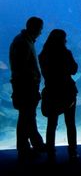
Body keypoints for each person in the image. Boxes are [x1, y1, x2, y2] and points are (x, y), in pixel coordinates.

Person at [9, 16, 47, 159]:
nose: (41, 32)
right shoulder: (22, 42)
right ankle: (26, 148)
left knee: (28, 116)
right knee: (26, 116)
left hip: (27, 86)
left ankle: (33, 145)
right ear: (34, 28)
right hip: (25, 87)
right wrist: (32, 82)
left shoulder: (25, 40)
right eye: (40, 29)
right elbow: (22, 68)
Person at [38, 29, 79, 161]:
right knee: (70, 123)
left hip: (51, 91)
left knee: (51, 123)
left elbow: (45, 73)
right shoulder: (66, 53)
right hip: (67, 91)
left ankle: (50, 152)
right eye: (65, 38)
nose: (66, 40)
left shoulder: (43, 55)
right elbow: (74, 70)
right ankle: (72, 152)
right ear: (62, 39)